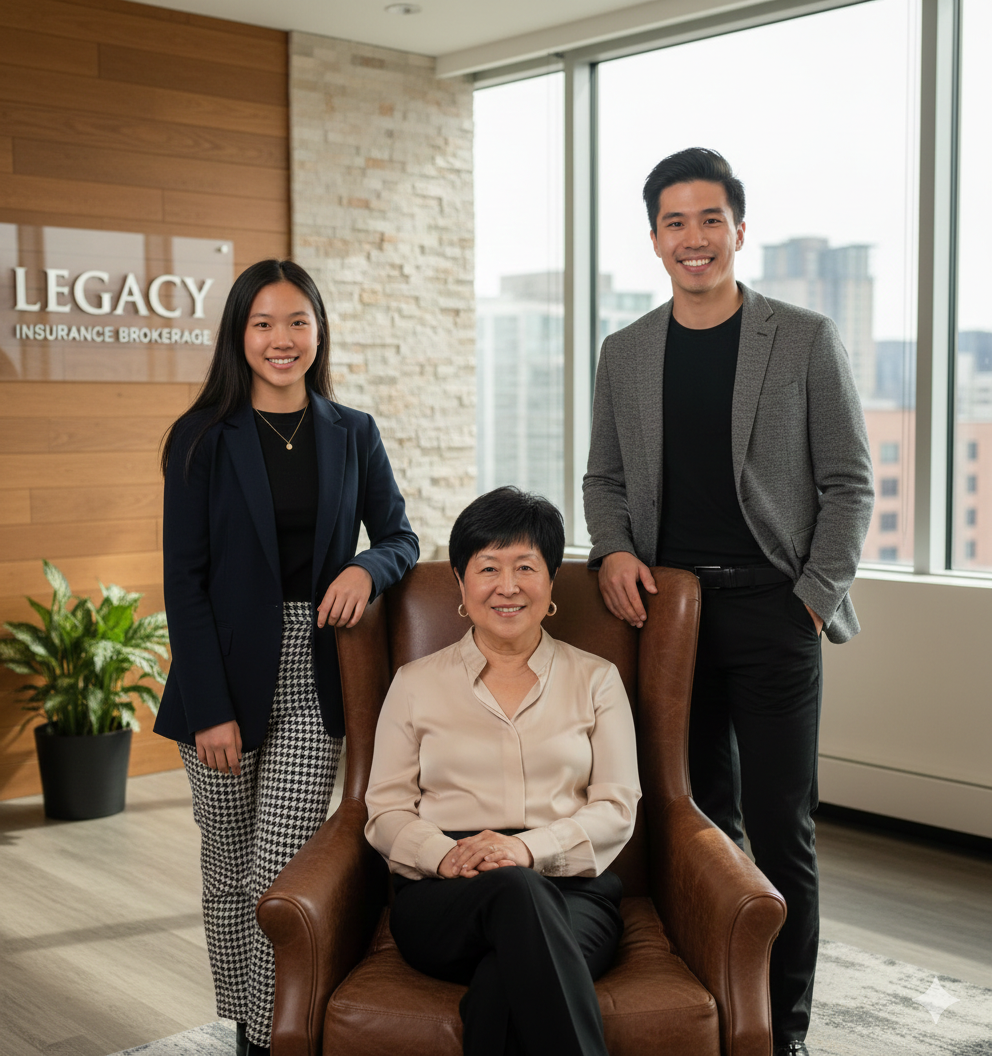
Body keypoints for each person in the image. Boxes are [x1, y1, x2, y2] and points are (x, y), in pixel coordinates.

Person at [583, 148, 874, 1056]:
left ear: (739, 230)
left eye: (710, 219)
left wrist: (810, 601)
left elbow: (849, 483)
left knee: (784, 833)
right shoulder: (625, 352)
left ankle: (780, 1032)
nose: (694, 238)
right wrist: (616, 550)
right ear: (656, 240)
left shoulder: (804, 337)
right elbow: (605, 478)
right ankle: (710, 1010)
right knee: (693, 819)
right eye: (676, 222)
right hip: (666, 618)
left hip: (773, 611)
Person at [155, 258, 419, 1056]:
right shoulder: (200, 438)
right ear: (240, 335)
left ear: (318, 331)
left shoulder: (353, 431)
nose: (282, 338)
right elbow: (183, 583)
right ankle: (245, 1023)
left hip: (316, 675)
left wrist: (363, 568)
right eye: (264, 323)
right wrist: (212, 709)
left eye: (297, 321)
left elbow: (401, 537)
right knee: (229, 868)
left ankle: (283, 1033)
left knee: (284, 873)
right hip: (222, 676)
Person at [365, 486, 641, 1056]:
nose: (507, 586)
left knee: (503, 982)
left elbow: (617, 808)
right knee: (514, 902)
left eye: (525, 567)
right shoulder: (416, 683)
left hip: (572, 892)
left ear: (550, 582)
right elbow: (384, 810)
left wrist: (526, 851)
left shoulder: (597, 679)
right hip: (444, 893)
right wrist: (443, 855)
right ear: (462, 585)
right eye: (488, 567)